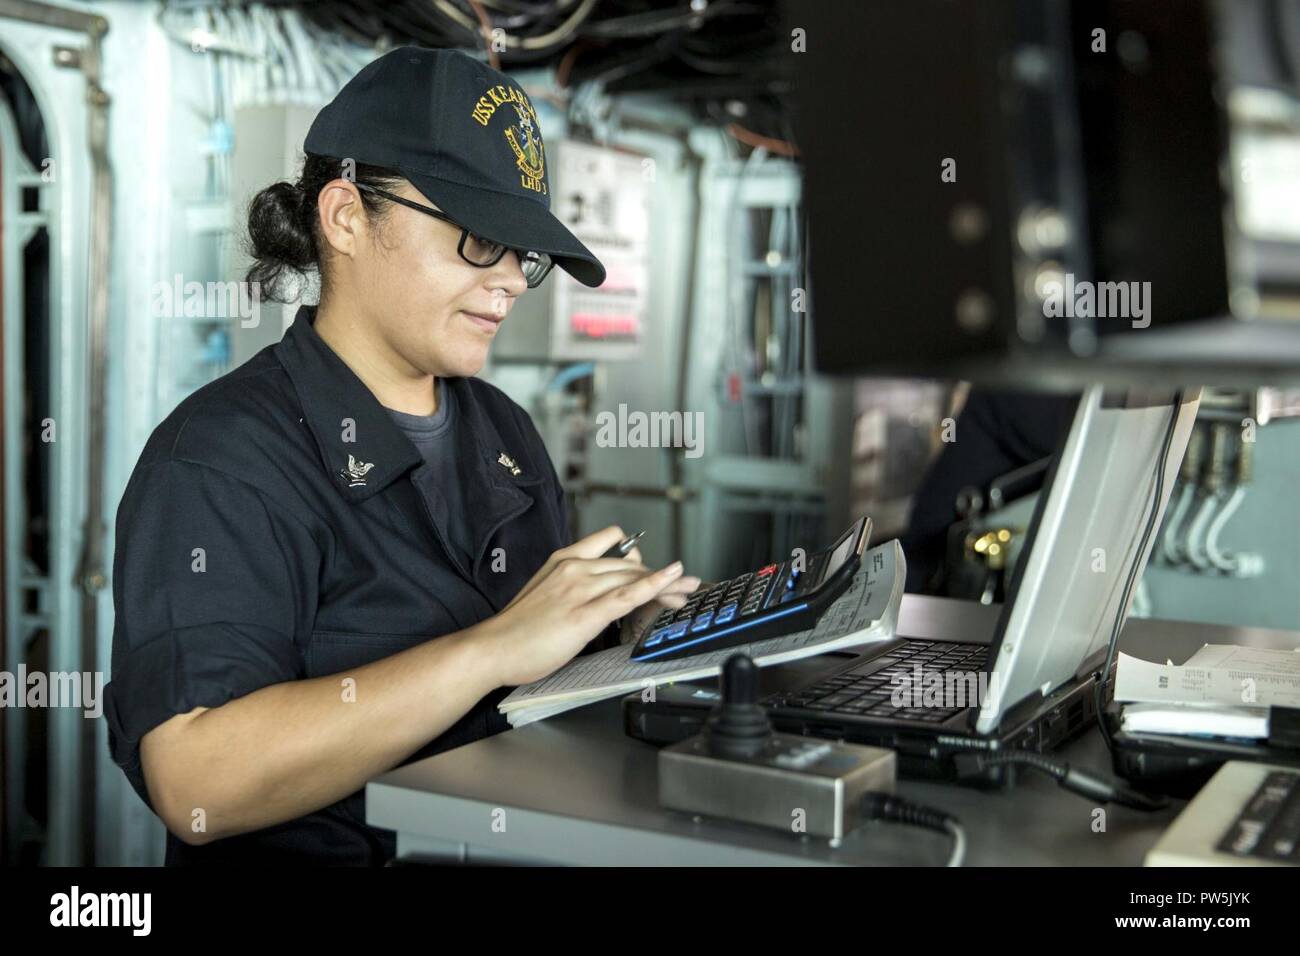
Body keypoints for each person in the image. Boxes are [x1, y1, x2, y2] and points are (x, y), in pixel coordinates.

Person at [104, 47, 700, 865]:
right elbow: (198, 780)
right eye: (477, 240)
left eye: (521, 252)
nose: (515, 282)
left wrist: (613, 641)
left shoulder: (505, 434)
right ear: (346, 215)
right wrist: (493, 647)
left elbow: (518, 694)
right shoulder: (222, 459)